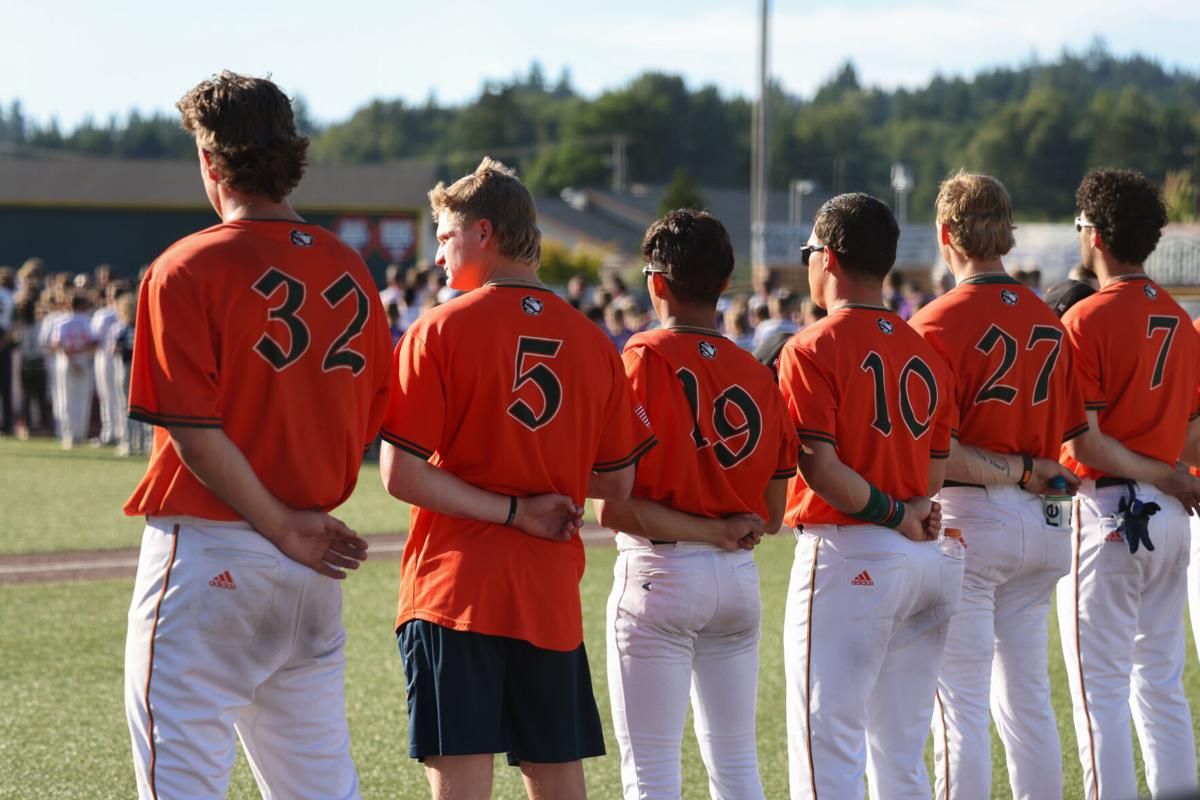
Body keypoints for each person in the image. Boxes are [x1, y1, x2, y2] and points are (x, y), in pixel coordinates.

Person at [122, 71, 393, 800]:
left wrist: (277, 524)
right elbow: (368, 416)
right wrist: (294, 524)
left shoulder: (184, 265)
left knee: (181, 784)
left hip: (220, 548)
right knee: (320, 787)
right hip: (311, 565)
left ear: (212, 163)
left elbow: (195, 435)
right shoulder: (350, 266)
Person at [379, 157, 655, 800]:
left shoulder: (439, 329)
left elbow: (399, 473)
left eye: (445, 236)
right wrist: (543, 474)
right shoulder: (593, 343)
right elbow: (617, 485)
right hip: (547, 593)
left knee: (462, 785)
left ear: (483, 233)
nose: (439, 252)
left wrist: (509, 508)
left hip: (455, 589)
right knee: (559, 782)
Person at [595, 210, 795, 800]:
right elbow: (772, 517)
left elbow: (614, 506)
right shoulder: (758, 373)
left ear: (657, 282)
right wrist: (720, 530)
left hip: (661, 573)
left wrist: (704, 531)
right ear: (725, 282)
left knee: (652, 773)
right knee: (736, 765)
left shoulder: (642, 357)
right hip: (737, 579)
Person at [908, 172, 1086, 799]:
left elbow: (935, 452)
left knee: (961, 708)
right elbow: (1071, 436)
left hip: (973, 519)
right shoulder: (1048, 318)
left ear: (946, 233)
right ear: (1006, 233)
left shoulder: (933, 322)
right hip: (1043, 522)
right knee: (1029, 700)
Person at [778, 193, 960, 799]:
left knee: (827, 751)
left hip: (850, 553)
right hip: (921, 561)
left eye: (809, 253)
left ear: (827, 257)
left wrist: (888, 512)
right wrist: (902, 511)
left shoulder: (809, 346)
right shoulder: (926, 351)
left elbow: (821, 467)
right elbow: (933, 476)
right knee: (902, 759)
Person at [1057, 168, 1200, 800]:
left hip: (1110, 511)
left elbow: (1084, 442)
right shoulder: (1180, 318)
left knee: (1102, 695)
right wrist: (1167, 470)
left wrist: (1156, 469)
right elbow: (1192, 439)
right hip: (1168, 516)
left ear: (1095, 235)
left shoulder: (1084, 319)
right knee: (1162, 684)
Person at [52, 293, 96, 448]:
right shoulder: (88, 321)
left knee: (66, 399)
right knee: (82, 399)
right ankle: (80, 434)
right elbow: (94, 343)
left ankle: (68, 435)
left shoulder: (61, 321)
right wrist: (80, 356)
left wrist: (72, 359)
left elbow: (58, 344)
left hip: (65, 362)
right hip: (84, 360)